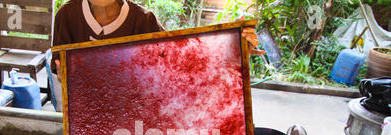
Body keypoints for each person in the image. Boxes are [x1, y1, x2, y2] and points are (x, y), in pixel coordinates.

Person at [51, 0, 264, 81]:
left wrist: (229, 45)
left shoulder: (144, 21)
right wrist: (64, 78)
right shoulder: (67, 16)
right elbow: (62, 75)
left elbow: (180, 61)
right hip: (86, 125)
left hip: (133, 128)